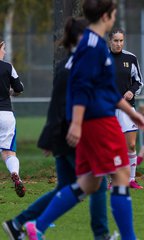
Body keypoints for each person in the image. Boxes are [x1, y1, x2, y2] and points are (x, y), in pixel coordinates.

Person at [23, 0, 144, 239]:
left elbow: (106, 88)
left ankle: (36, 227)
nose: (114, 17)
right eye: (113, 13)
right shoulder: (92, 45)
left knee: (90, 182)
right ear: (105, 15)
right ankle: (130, 237)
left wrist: (130, 112)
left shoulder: (94, 44)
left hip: (98, 119)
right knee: (121, 176)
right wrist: (78, 123)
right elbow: (80, 85)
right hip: (99, 121)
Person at [2, 17, 115, 240]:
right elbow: (65, 105)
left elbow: (56, 104)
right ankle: (101, 236)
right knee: (97, 182)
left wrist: (49, 138)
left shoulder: (65, 66)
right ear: (81, 38)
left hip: (61, 136)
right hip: (72, 136)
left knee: (64, 188)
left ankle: (18, 224)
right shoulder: (78, 67)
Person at [108, 29, 144, 189]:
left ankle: (131, 179)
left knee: (130, 145)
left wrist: (131, 91)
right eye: (116, 40)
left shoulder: (130, 58)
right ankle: (113, 180)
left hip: (128, 109)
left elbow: (139, 81)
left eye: (121, 40)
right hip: (108, 109)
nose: (119, 44)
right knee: (112, 146)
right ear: (110, 41)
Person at [0, 39, 26, 198]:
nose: (5, 51)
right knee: (9, 153)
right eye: (3, 48)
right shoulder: (8, 67)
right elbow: (19, 88)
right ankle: (15, 174)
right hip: (5, 115)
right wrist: (9, 91)